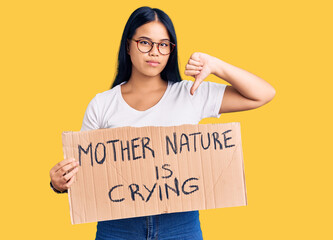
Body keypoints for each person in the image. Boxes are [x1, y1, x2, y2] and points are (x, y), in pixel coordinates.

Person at [49, 6, 275, 240]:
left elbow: (263, 94)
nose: (154, 52)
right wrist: (58, 183)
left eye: (163, 44)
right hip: (117, 227)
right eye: (145, 42)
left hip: (180, 225)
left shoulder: (192, 93)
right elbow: (83, 173)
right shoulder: (102, 104)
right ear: (128, 45)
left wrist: (215, 65)